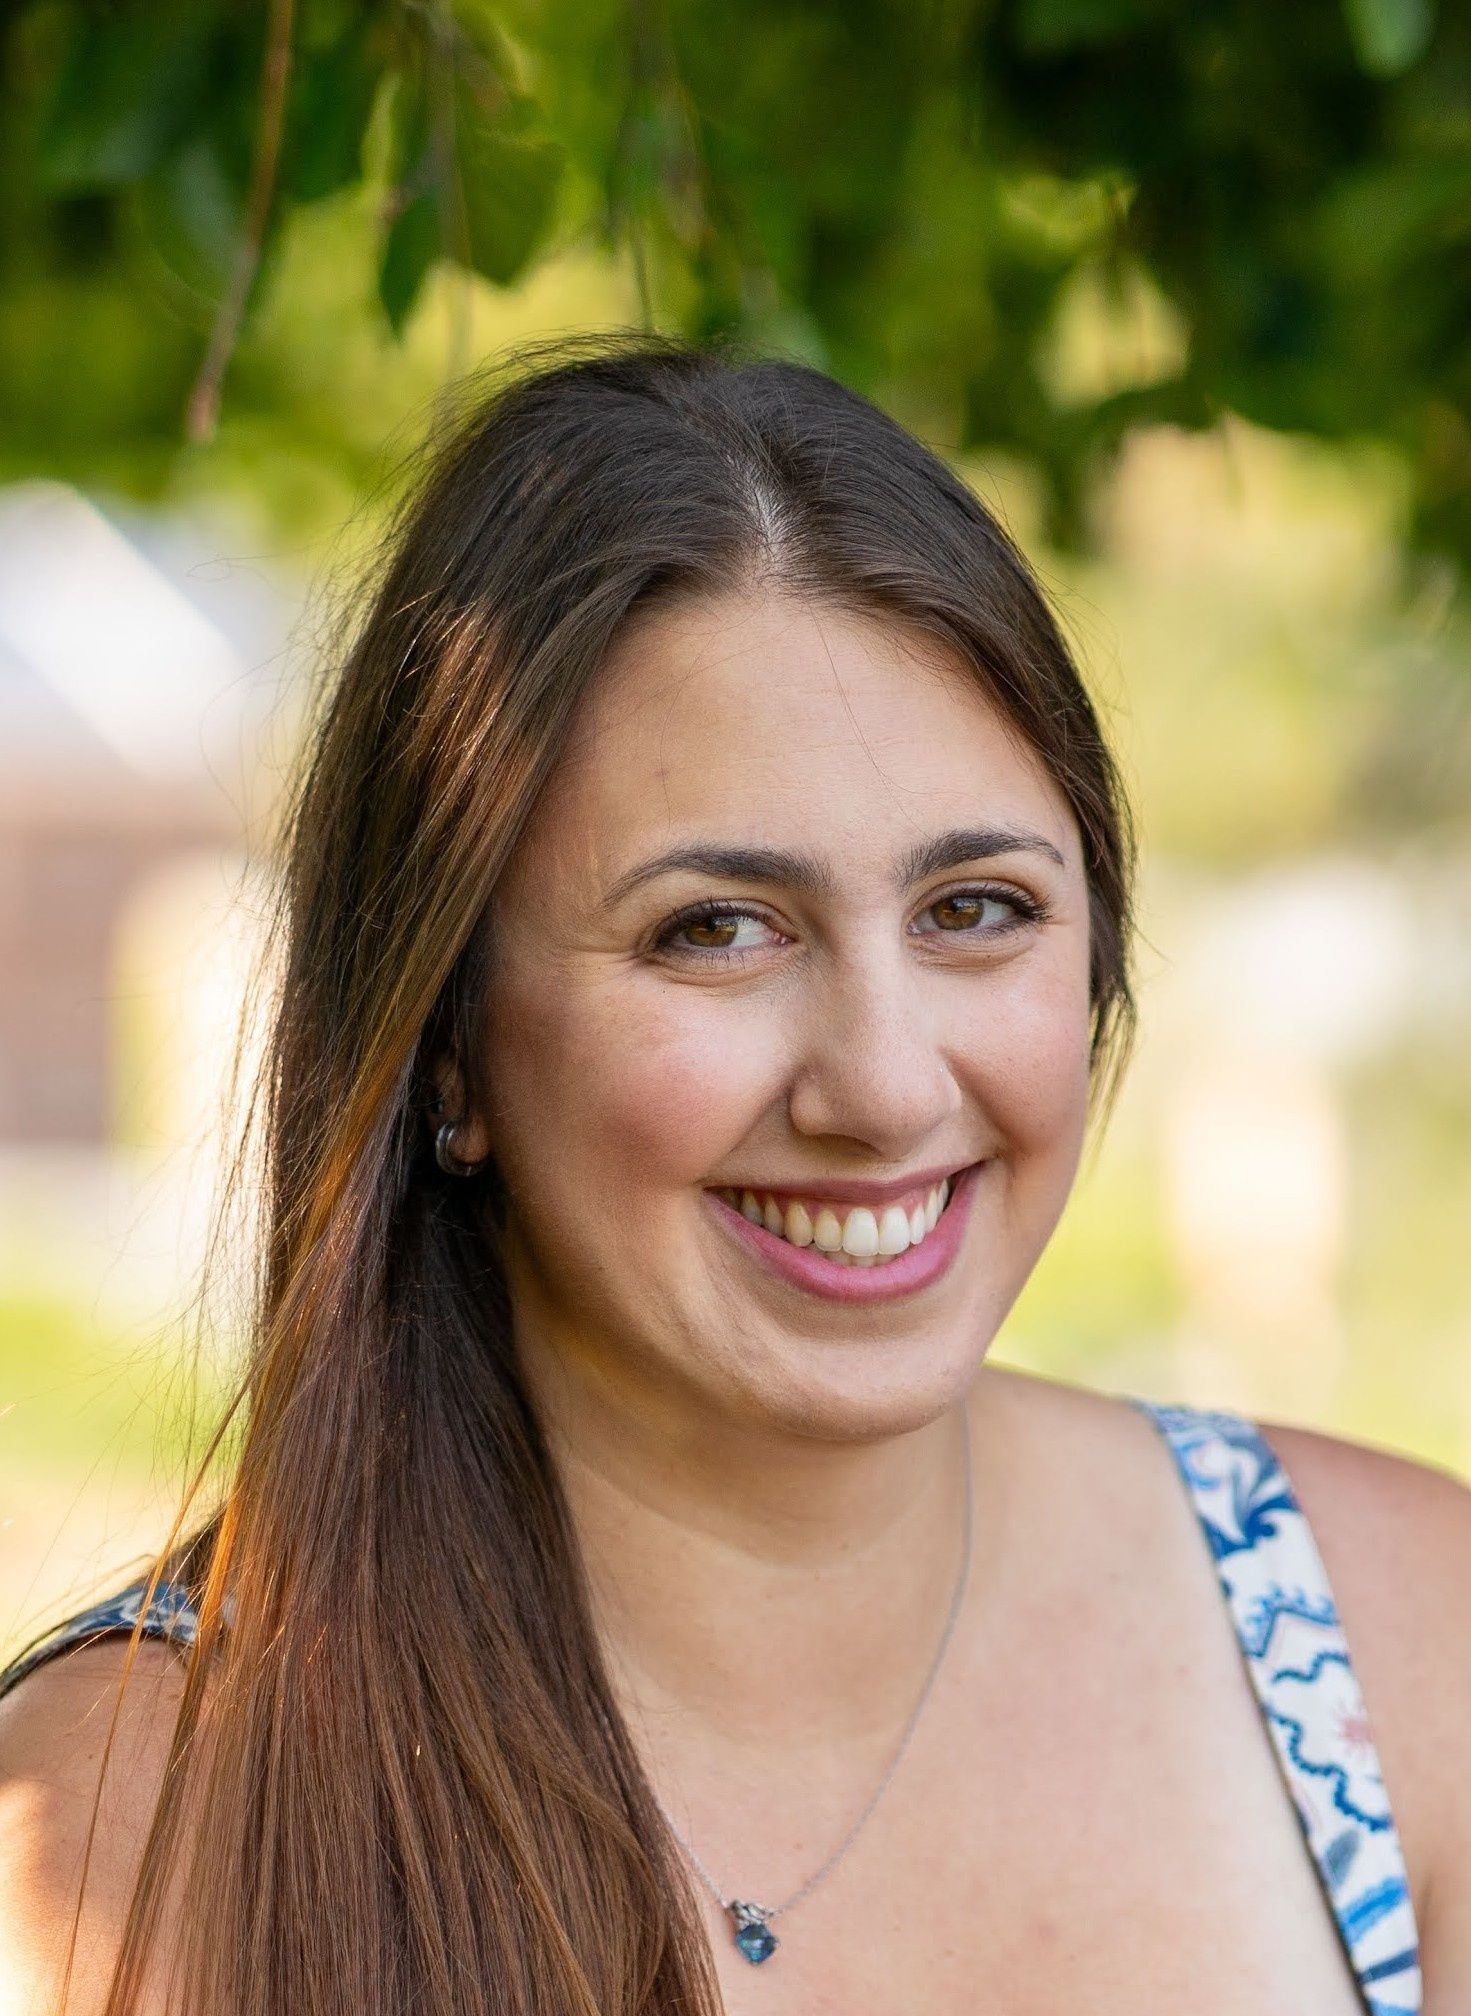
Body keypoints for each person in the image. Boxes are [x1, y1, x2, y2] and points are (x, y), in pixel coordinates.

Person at [0, 334, 1466, 2016]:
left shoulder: (1398, 1652)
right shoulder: (135, 1824)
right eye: (717, 930)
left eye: (974, 908)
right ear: (451, 1042)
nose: (887, 1084)